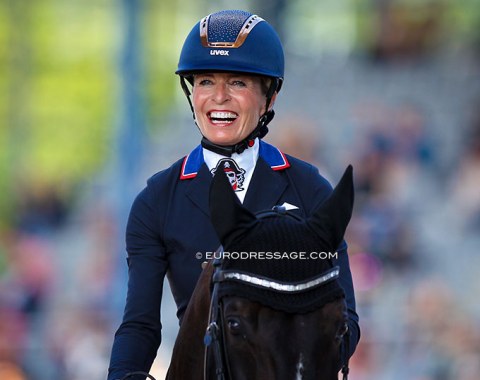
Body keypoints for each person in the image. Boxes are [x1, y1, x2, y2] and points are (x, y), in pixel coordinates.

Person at [108, 9, 360, 379]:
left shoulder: (310, 191)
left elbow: (346, 322)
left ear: (268, 97)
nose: (219, 97)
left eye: (238, 83)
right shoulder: (157, 200)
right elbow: (140, 326)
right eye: (206, 82)